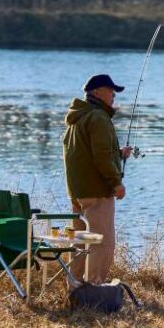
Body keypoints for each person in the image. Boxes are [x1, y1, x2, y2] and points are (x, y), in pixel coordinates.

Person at [62, 74, 132, 285]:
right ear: (97, 92)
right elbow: (101, 156)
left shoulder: (78, 117)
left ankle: (75, 285)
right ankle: (95, 285)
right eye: (111, 91)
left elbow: (86, 152)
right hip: (97, 192)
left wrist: (117, 153)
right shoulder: (99, 118)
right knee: (102, 242)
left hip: (78, 193)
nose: (113, 97)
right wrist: (116, 183)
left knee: (82, 240)